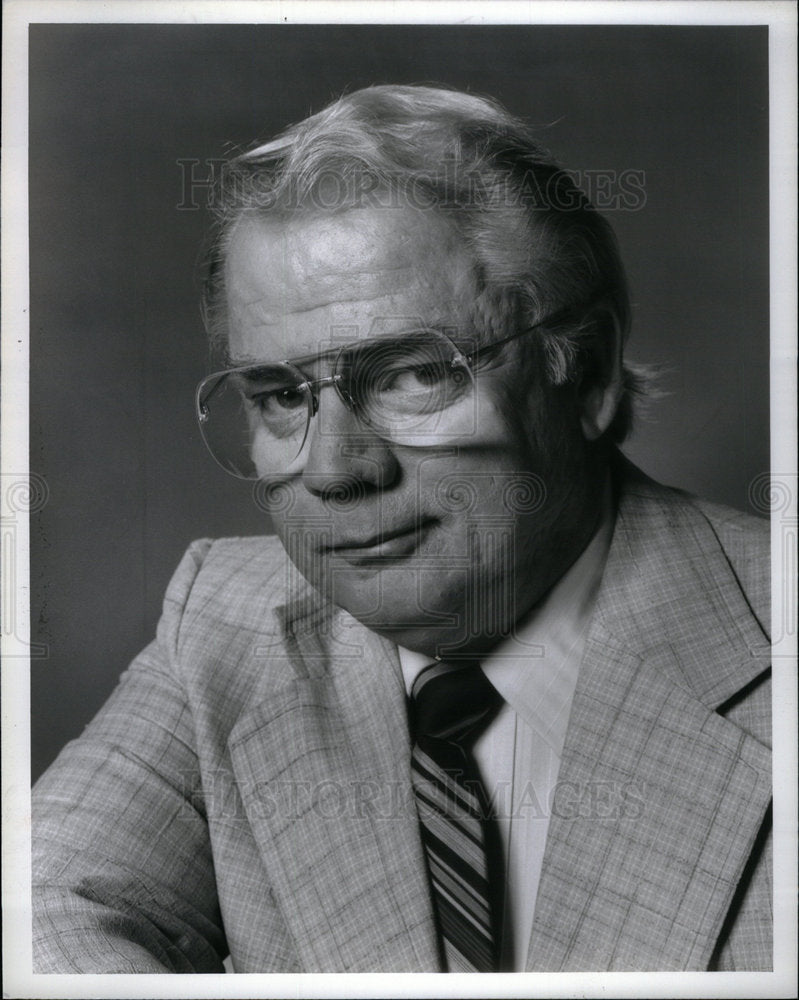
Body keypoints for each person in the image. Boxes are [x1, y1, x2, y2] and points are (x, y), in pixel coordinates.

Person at [32, 85, 771, 974]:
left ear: (591, 373)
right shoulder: (225, 625)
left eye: (413, 374)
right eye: (280, 396)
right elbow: (34, 913)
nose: (337, 469)